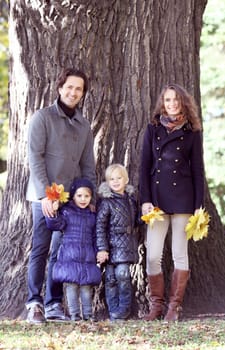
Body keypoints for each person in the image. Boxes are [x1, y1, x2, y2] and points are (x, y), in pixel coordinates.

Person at [26, 67, 96, 324]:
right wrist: (46, 195)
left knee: (60, 251)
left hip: (70, 200)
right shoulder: (42, 118)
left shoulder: (84, 125)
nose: (73, 92)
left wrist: (91, 199)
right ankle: (34, 303)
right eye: (69, 87)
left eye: (79, 88)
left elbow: (88, 165)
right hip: (43, 196)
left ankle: (53, 303)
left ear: (83, 93)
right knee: (41, 249)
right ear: (59, 88)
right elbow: (35, 157)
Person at [139, 83, 204, 322]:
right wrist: (144, 200)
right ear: (162, 104)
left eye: (176, 99)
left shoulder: (192, 132)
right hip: (156, 202)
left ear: (183, 102)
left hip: (183, 201)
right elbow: (144, 168)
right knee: (153, 255)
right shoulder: (152, 129)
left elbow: (197, 170)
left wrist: (199, 205)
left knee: (180, 253)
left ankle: (174, 307)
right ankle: (156, 305)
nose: (172, 104)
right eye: (168, 100)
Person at [45, 178, 101, 321]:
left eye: (87, 196)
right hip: (69, 256)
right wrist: (55, 212)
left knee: (86, 288)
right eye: (79, 195)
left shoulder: (92, 215)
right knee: (71, 287)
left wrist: (97, 252)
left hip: (87, 257)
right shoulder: (66, 212)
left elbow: (95, 236)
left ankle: (88, 315)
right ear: (73, 196)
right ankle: (75, 315)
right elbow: (55, 225)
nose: (83, 199)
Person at [96, 164, 139, 321]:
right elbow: (100, 227)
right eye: (111, 179)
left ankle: (123, 309)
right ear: (107, 182)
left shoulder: (131, 200)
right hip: (109, 246)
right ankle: (113, 310)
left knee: (123, 275)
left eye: (119, 178)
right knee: (110, 279)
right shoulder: (106, 202)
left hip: (125, 246)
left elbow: (135, 221)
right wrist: (102, 248)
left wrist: (147, 217)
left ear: (126, 179)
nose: (115, 181)